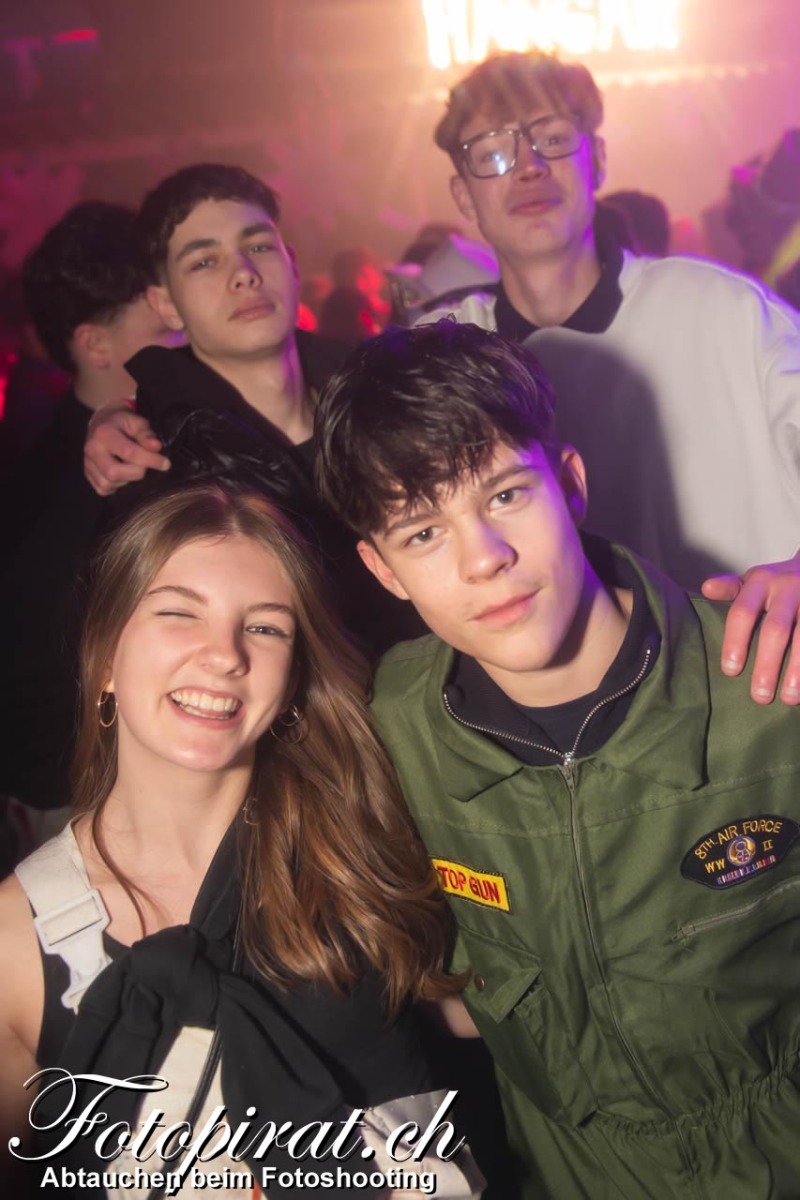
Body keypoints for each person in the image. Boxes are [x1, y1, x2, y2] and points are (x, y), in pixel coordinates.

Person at [314, 320, 800, 1200]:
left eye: (504, 495)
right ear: (381, 571)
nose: (484, 559)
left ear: (570, 483)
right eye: (422, 533)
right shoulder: (388, 735)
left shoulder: (768, 682)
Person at [0, 484, 484, 1199]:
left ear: (292, 680)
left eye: (264, 627)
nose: (224, 654)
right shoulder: (16, 943)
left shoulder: (359, 846)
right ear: (103, 656)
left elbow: (497, 999)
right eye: (178, 612)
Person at [420, 49, 800, 706]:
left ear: (596, 159)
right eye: (494, 151)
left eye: (551, 139)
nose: (529, 166)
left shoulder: (723, 308)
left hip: (758, 691)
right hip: (567, 724)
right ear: (463, 195)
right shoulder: (444, 353)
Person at [79, 162, 419, 654]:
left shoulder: (387, 401)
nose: (243, 274)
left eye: (258, 246)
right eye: (204, 262)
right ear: (166, 304)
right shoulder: (157, 472)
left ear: (292, 264)